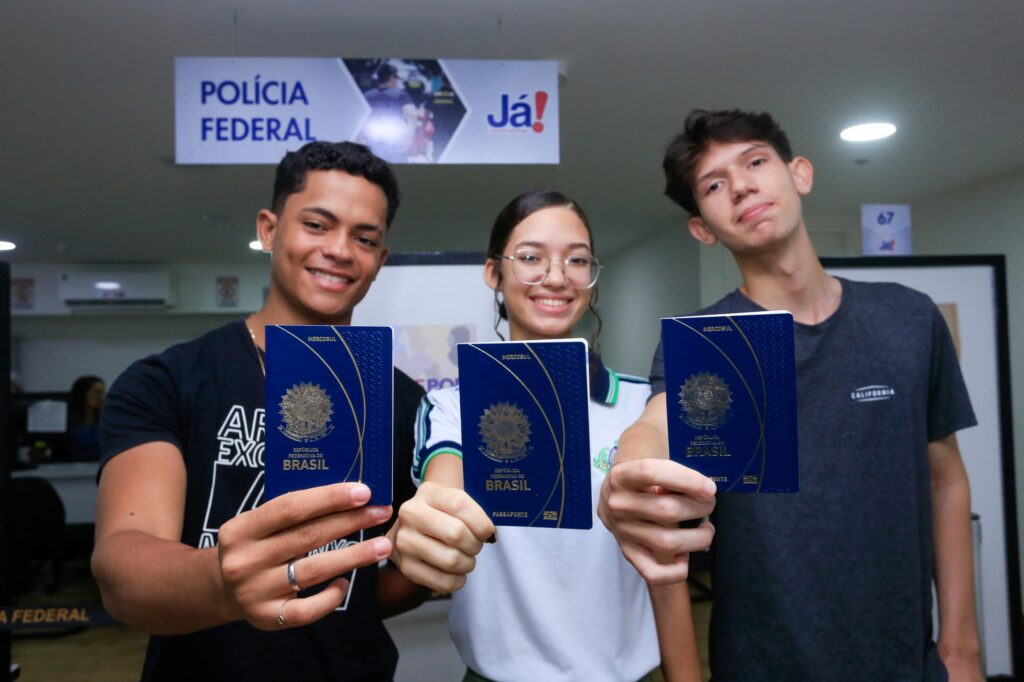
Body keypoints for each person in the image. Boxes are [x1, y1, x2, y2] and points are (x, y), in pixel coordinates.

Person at [598, 109, 982, 681]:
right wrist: (626, 475)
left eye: (755, 162)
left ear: (799, 173)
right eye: (714, 185)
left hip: (907, 658)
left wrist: (962, 649)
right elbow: (656, 427)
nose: (741, 186)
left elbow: (945, 479)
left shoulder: (907, 317)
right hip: (762, 663)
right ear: (703, 228)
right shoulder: (710, 344)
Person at [92, 141, 428, 680]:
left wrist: (435, 563)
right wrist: (223, 582)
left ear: (379, 260)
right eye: (317, 225)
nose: (340, 250)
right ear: (269, 230)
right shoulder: (168, 380)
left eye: (364, 238)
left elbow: (377, 590)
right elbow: (122, 566)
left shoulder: (405, 402)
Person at [386, 190, 711, 682]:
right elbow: (442, 484)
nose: (557, 277)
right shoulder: (451, 406)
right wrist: (431, 521)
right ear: (493, 273)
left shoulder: (644, 405)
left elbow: (665, 576)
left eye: (576, 260)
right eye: (531, 257)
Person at [67, 375, 104, 460]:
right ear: (83, 393)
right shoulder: (66, 421)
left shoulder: (105, 419)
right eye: (97, 393)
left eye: (102, 393)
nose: (101, 398)